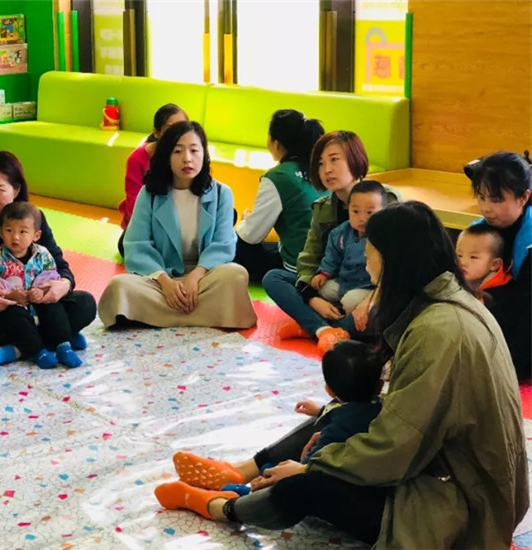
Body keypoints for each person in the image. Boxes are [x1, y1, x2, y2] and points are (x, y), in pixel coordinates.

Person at [152, 201, 528, 548]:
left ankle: (221, 507)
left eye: (370, 250)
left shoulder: (438, 329)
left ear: (392, 258)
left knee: (304, 484)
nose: (365, 259)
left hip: (460, 506)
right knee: (341, 413)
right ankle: (239, 471)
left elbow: (396, 447)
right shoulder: (443, 304)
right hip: (449, 473)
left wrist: (311, 466)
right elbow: (408, 419)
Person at [156, 339, 384, 527]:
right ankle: (239, 471)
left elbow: (319, 464)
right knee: (322, 421)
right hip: (357, 471)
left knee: (295, 483)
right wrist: (321, 411)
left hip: (366, 494)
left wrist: (301, 468)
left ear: (329, 388)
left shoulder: (341, 425)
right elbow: (350, 417)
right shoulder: (376, 407)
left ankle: (223, 506)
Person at [99, 121, 256, 329]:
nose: (187, 158)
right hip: (160, 278)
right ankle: (204, 314)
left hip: (205, 277)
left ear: (204, 154)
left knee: (236, 275)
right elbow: (137, 245)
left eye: (194, 150)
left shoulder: (221, 193)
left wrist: (195, 276)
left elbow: (223, 244)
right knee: (119, 285)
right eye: (178, 151)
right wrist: (165, 282)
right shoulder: (149, 194)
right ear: (167, 156)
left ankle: (157, 316)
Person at [0, 151, 97, 359]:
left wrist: (63, 284)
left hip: (40, 308)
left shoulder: (32, 219)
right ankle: (57, 338)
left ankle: (18, 348)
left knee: (85, 304)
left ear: (15, 190)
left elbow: (60, 266)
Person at [262, 131, 401, 350]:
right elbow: (309, 258)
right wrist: (311, 298)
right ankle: (324, 330)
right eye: (320, 163)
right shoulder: (324, 208)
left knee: (371, 314)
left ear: (355, 160)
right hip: (336, 286)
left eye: (334, 160)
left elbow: (401, 264)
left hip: (376, 293)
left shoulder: (387, 201)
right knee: (273, 278)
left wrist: (371, 299)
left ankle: (313, 326)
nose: (327, 169)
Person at [0, 202, 82, 370]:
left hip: (40, 304)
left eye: (23, 232)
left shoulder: (42, 254)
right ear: (1, 232)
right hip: (15, 307)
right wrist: (10, 295)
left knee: (56, 307)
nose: (15, 237)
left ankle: (64, 346)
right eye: (9, 231)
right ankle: (38, 351)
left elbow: (52, 275)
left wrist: (41, 291)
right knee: (15, 316)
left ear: (36, 235)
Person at [292, 180, 386, 350]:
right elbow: (332, 257)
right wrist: (324, 273)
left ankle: (324, 326)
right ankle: (326, 323)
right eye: (355, 211)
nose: (362, 218)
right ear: (347, 209)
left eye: (370, 212)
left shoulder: (383, 237)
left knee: (350, 301)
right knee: (321, 288)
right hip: (343, 282)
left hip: (366, 289)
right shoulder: (341, 233)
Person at [234, 109, 325, 282]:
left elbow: (252, 236)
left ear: (276, 143)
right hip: (328, 262)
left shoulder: (278, 177)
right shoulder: (319, 167)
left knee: (235, 243)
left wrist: (245, 222)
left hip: (299, 266)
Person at [464, 151, 531, 380]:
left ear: (523, 197)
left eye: (496, 199)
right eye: (481, 197)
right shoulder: (480, 230)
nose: (485, 208)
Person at [118, 103, 189, 256]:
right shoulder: (137, 159)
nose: (177, 135)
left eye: (182, 128)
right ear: (156, 133)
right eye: (170, 129)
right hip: (148, 224)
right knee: (127, 246)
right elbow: (134, 205)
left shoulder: (189, 155)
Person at [455, 223, 509, 295]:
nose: (462, 262)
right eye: (459, 255)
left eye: (473, 257)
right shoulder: (451, 278)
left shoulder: (498, 294)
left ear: (494, 264)